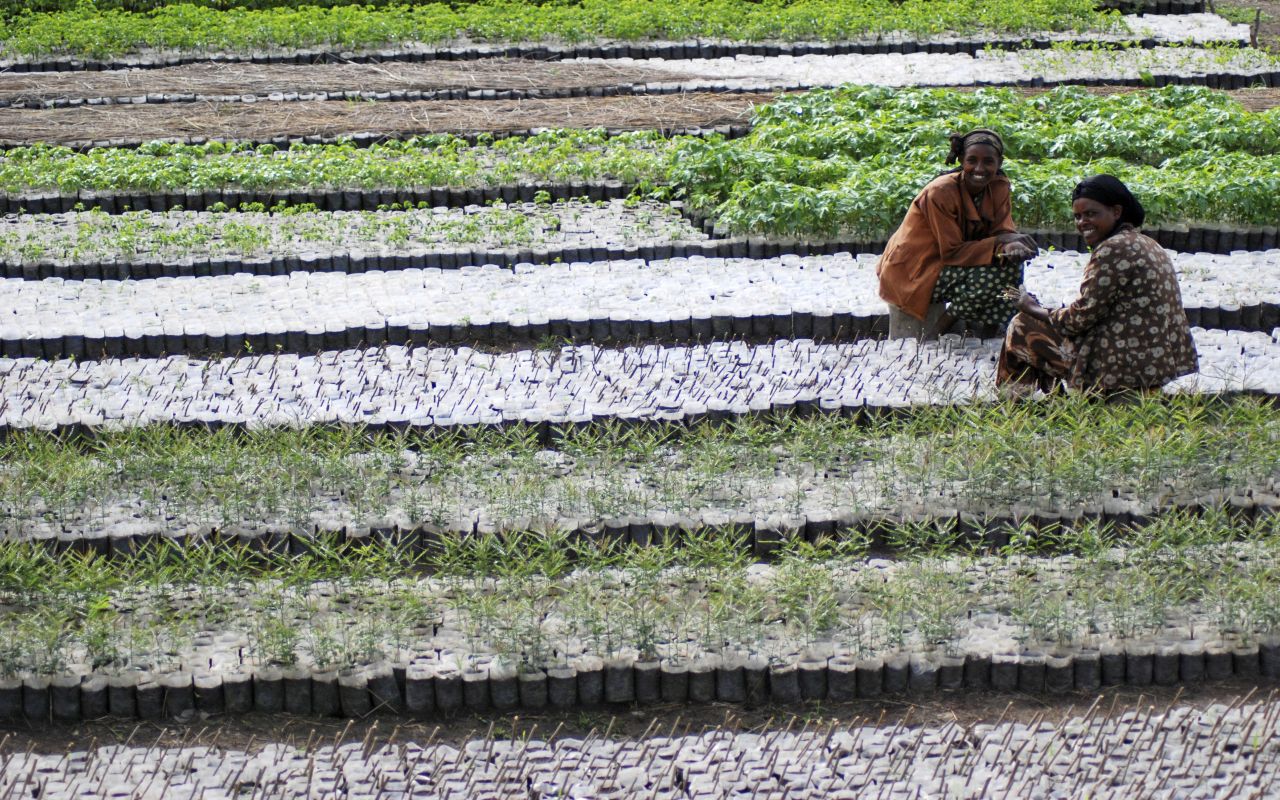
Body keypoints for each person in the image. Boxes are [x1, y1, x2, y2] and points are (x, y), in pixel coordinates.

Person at [998, 174, 1198, 395]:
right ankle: (1058, 401)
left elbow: (1078, 320)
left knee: (1022, 325)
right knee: (1042, 324)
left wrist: (1031, 307)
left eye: (1091, 214)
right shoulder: (1146, 243)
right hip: (1153, 361)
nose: (1083, 222)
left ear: (1116, 212)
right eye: (1078, 216)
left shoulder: (1113, 249)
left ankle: (1014, 403)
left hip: (1122, 366)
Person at [877, 129, 1038, 339]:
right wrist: (1000, 241)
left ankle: (991, 333)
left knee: (1011, 268)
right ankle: (938, 331)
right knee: (989, 279)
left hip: (952, 262)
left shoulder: (999, 187)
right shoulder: (941, 192)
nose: (979, 168)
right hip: (916, 269)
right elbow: (952, 252)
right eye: (972, 160)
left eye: (988, 162)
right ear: (962, 160)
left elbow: (1002, 230)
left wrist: (1010, 247)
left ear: (999, 162)